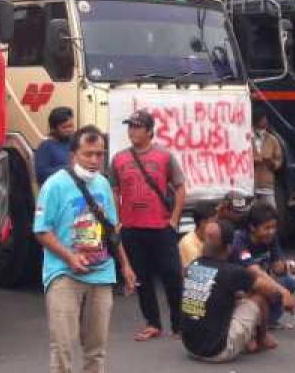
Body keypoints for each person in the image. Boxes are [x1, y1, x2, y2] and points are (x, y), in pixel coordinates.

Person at [34, 125, 137, 373]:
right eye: (87, 154)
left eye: (99, 154)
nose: (94, 160)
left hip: (101, 274)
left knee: (96, 350)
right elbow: (41, 230)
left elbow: (112, 230)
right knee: (63, 349)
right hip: (64, 275)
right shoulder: (54, 185)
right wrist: (69, 257)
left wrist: (125, 265)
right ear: (73, 155)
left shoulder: (102, 184)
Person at [109, 110, 187, 341]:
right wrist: (117, 220)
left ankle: (179, 325)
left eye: (137, 126)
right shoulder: (119, 158)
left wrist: (173, 220)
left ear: (150, 131)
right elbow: (114, 190)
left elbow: (180, 188)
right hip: (132, 228)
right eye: (130, 126)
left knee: (172, 276)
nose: (132, 130)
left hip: (161, 227)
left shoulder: (164, 156)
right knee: (141, 278)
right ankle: (153, 323)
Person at [180, 219, 292, 363]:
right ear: (228, 248)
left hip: (190, 348)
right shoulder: (232, 272)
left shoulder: (192, 266)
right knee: (259, 297)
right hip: (218, 351)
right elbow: (269, 290)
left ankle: (248, 336)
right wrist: (285, 294)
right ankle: (262, 338)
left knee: (237, 296)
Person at [228, 202, 295, 330]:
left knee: (290, 282)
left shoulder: (270, 238)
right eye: (266, 228)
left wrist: (288, 267)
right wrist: (283, 292)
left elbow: (277, 267)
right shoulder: (239, 241)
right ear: (252, 227)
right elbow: (253, 271)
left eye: (274, 227)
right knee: (273, 288)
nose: (271, 232)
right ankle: (251, 323)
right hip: (241, 290)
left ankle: (268, 321)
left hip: (259, 284)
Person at [251, 110, 283, 209]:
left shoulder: (272, 140)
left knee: (272, 212)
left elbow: (279, 160)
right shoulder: (247, 138)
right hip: (250, 187)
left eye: (266, 119)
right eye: (263, 119)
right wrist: (254, 160)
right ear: (257, 120)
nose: (266, 121)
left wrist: (272, 163)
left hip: (267, 186)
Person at [36, 107, 76, 186]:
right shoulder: (45, 147)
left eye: (71, 126)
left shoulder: (75, 142)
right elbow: (41, 174)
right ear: (53, 129)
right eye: (64, 127)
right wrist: (69, 168)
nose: (69, 130)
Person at [180, 202, 219, 269]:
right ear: (203, 223)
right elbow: (199, 271)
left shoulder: (213, 238)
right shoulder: (188, 243)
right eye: (214, 222)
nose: (217, 226)